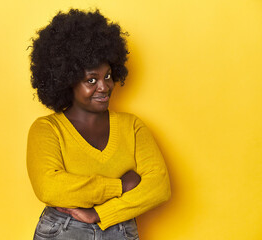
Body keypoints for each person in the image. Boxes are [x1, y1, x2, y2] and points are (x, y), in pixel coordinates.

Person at [27, 9, 171, 240]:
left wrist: (99, 213)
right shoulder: (47, 129)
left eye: (108, 76)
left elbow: (159, 187)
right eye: (91, 80)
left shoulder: (132, 126)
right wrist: (120, 186)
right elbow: (50, 187)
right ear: (67, 81)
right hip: (63, 230)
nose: (104, 87)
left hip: (120, 230)